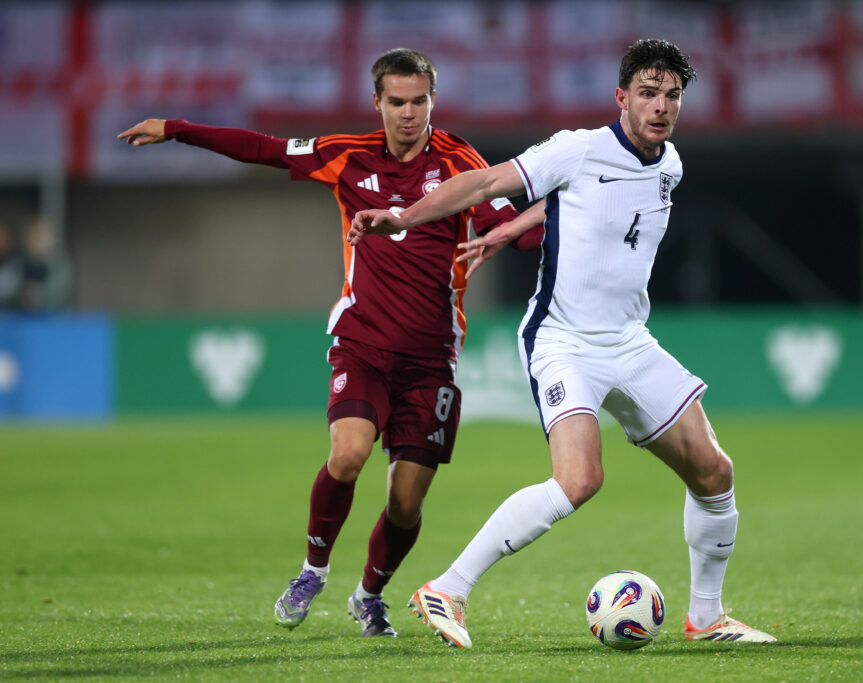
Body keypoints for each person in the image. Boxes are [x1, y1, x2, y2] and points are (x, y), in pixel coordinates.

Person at [349, 39, 776, 648]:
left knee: (714, 471)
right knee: (579, 480)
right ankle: (446, 588)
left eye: (672, 96)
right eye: (648, 94)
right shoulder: (578, 147)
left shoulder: (670, 164)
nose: (660, 107)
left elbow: (577, 202)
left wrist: (519, 227)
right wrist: (403, 217)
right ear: (621, 97)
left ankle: (706, 618)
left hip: (630, 341)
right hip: (564, 341)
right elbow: (486, 183)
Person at [118, 48, 545, 638]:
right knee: (347, 454)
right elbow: (264, 148)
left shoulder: (458, 161)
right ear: (378, 102)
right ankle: (313, 570)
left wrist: (553, 207)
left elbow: (516, 232)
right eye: (397, 101)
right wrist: (178, 130)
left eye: (420, 101)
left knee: (405, 504)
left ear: (432, 101)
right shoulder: (348, 155)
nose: (409, 113)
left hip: (432, 359)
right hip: (362, 343)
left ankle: (369, 595)